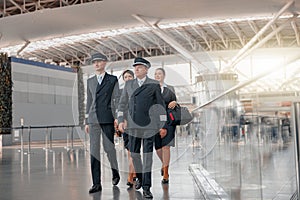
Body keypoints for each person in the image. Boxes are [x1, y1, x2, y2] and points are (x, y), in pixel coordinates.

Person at [117, 57, 166, 199]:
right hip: (132, 126)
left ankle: (146, 187)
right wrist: (120, 119)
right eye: (135, 67)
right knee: (134, 154)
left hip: (149, 126)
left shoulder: (153, 84)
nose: (136, 69)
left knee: (148, 156)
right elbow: (122, 105)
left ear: (146, 69)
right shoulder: (129, 84)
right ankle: (139, 177)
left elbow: (161, 106)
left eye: (139, 67)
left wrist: (162, 124)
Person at [85, 53, 120, 194]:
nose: (96, 64)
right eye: (94, 62)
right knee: (94, 151)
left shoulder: (112, 80)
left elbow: (117, 99)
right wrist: (87, 120)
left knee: (109, 148)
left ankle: (115, 171)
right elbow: (88, 101)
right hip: (93, 120)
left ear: (105, 63)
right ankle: (96, 183)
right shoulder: (90, 81)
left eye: (99, 62)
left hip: (107, 118)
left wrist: (117, 117)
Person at [153, 68, 177, 184]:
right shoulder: (152, 89)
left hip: (169, 121)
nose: (157, 75)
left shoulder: (170, 88)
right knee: (158, 148)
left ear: (164, 75)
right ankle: (164, 164)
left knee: (166, 147)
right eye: (156, 74)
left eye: (160, 73)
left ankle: (166, 173)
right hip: (156, 121)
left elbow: (174, 102)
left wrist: (175, 102)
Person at [120, 69, 136, 188]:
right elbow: (120, 106)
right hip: (126, 125)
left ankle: (130, 176)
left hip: (136, 125)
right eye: (125, 77)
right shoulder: (122, 91)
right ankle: (134, 172)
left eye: (130, 76)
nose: (128, 79)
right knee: (129, 151)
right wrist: (120, 120)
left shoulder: (137, 89)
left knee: (133, 151)